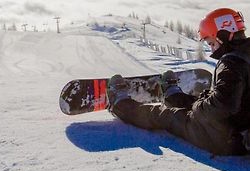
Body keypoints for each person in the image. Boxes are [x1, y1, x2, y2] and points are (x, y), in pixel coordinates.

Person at [107, 8, 250, 156]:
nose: (212, 49)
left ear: (222, 35)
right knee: (202, 102)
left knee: (164, 115)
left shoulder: (231, 63)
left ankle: (120, 105)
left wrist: (198, 107)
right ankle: (173, 96)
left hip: (223, 138)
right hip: (239, 130)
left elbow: (224, 105)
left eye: (212, 43)